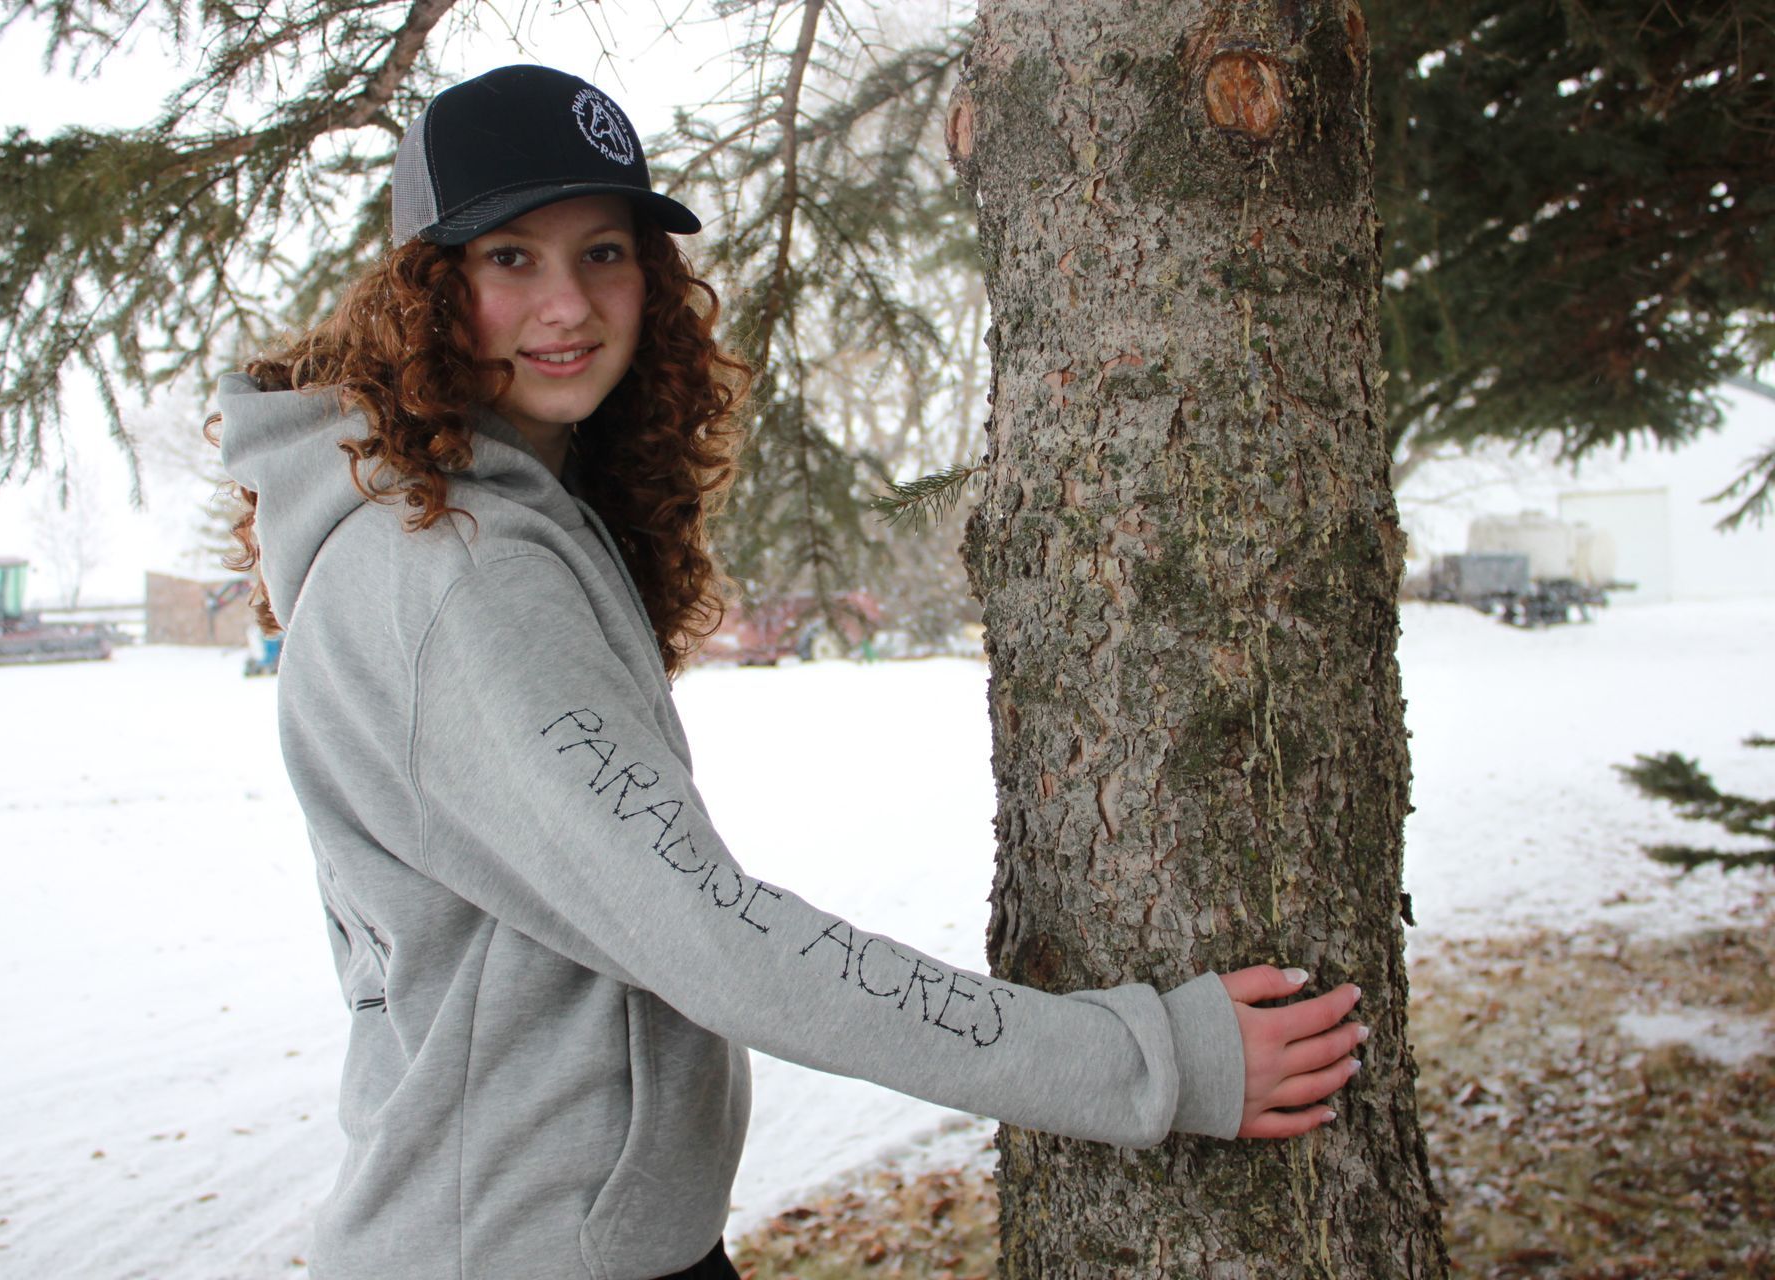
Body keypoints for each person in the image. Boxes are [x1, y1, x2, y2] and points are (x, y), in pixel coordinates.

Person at [213, 64, 1365, 1280]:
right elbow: (716, 940)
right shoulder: (455, 573)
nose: (568, 303)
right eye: (510, 257)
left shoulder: (478, 518)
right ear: (427, 291)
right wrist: (1148, 1060)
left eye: (604, 252)